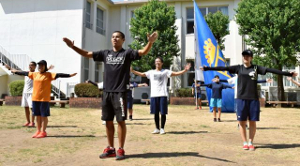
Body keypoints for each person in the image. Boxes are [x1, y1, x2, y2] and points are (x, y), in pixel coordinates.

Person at [63, 31, 158, 160]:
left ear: (123, 40)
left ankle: (120, 149)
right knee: (108, 121)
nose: (115, 39)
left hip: (120, 92)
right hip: (107, 92)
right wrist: (72, 47)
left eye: (117, 37)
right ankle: (111, 148)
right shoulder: (105, 54)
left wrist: (150, 42)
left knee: (120, 121)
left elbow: (142, 52)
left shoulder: (127, 53)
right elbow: (86, 54)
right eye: (113, 37)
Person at [200, 49, 298, 151]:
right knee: (242, 121)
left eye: (247, 56)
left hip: (253, 99)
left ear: (251, 58)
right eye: (244, 56)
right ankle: (245, 142)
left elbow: (271, 70)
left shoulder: (256, 68)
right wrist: (208, 68)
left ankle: (251, 142)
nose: (245, 57)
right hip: (241, 98)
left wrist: (288, 74)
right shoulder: (238, 68)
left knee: (252, 121)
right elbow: (223, 68)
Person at [8, 60, 76, 138]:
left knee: (44, 116)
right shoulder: (34, 74)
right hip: (35, 98)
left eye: (42, 65)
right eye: (39, 65)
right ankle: (38, 131)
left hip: (44, 99)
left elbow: (59, 75)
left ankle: (43, 131)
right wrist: (15, 71)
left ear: (45, 67)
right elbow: (24, 73)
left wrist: (70, 75)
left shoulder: (49, 75)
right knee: (37, 116)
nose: (40, 67)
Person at [131, 57, 191, 135]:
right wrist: (132, 71)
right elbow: (142, 74)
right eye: (156, 61)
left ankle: (162, 128)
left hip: (162, 94)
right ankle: (157, 128)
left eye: (159, 61)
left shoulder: (165, 72)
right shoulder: (151, 72)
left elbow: (175, 73)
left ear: (162, 63)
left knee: (163, 113)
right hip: (154, 95)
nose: (157, 63)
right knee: (155, 113)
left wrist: (185, 70)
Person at [5, 62, 54, 127]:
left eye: (32, 65)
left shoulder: (36, 73)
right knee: (26, 107)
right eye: (29, 65)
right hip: (25, 92)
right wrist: (10, 68)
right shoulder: (26, 72)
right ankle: (28, 121)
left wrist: (47, 68)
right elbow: (17, 71)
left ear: (35, 66)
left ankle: (32, 122)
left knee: (32, 108)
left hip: (32, 93)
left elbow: (43, 71)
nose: (30, 66)